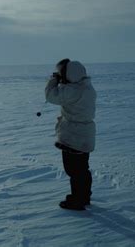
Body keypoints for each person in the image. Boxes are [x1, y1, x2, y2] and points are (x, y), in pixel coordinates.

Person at [45, 59, 97, 210]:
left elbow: (51, 96)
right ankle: (84, 197)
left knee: (74, 170)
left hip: (74, 135)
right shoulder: (86, 87)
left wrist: (53, 81)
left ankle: (77, 200)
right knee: (82, 169)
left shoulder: (72, 91)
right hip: (85, 134)